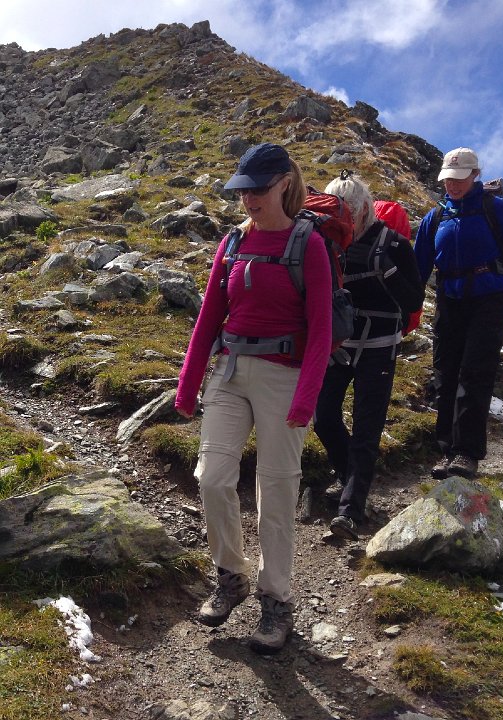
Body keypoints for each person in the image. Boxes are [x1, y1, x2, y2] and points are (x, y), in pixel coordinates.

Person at [175, 143, 332, 653]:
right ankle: (231, 576)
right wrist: (188, 383)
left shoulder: (310, 245)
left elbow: (322, 330)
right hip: (229, 372)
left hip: (285, 378)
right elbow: (208, 317)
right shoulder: (233, 242)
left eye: (258, 189)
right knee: (212, 477)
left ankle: (276, 599)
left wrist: (306, 398)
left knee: (277, 493)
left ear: (284, 183)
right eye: (243, 190)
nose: (248, 199)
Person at [414, 147, 503, 481]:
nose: (452, 185)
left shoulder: (495, 208)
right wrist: (406, 304)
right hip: (449, 299)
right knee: (445, 373)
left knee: (474, 372)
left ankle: (466, 453)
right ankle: (447, 449)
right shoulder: (436, 216)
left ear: (475, 175)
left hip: (489, 298)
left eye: (459, 178)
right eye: (448, 179)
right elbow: (418, 266)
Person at [313, 173, 424, 540]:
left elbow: (414, 301)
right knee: (323, 417)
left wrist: (385, 270)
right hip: (340, 345)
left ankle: (350, 511)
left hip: (379, 347)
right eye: (333, 210)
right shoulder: (326, 242)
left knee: (366, 428)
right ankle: (350, 480)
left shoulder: (394, 244)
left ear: (363, 209)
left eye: (346, 210)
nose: (341, 218)